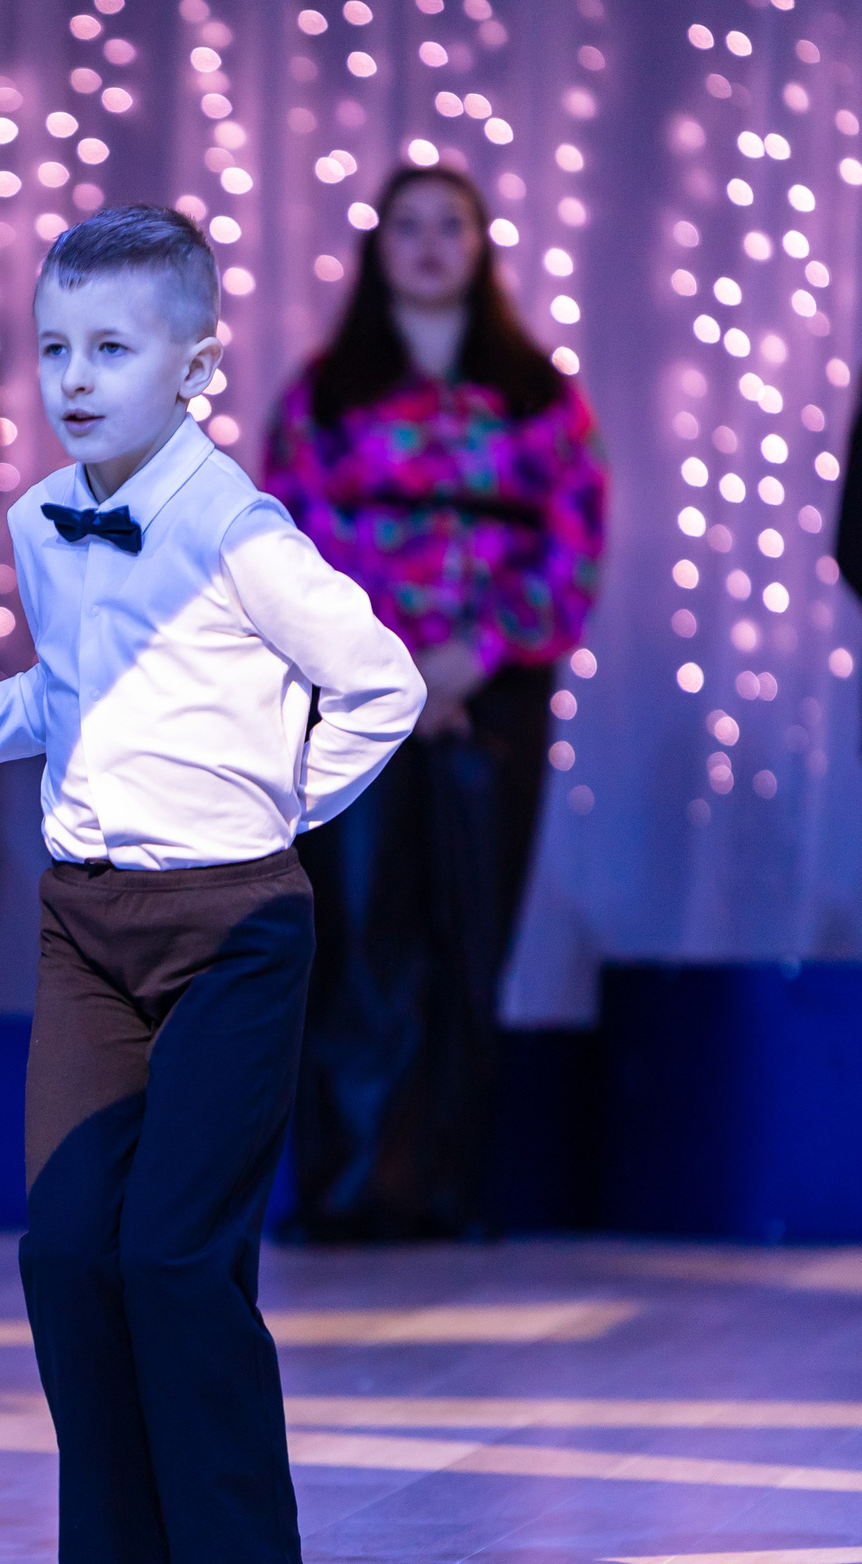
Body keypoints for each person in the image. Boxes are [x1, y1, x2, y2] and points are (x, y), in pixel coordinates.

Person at [0, 205, 425, 1564]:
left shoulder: (241, 529)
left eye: (112, 346)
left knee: (175, 1253)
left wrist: (269, 801)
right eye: (55, 347)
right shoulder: (45, 520)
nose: (76, 376)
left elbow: (383, 685)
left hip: (231, 925)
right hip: (85, 926)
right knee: (66, 1248)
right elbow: (55, 699)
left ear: (196, 364)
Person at [264, 166, 605, 1243]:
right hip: (358, 699)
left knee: (470, 932)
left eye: (445, 226)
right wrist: (392, 669)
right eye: (404, 226)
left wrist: (477, 654)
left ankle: (442, 1187)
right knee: (362, 933)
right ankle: (351, 1185)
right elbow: (283, 543)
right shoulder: (326, 390)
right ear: (376, 249)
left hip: (490, 701)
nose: (425, 245)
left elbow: (575, 538)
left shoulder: (537, 391)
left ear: (480, 245)